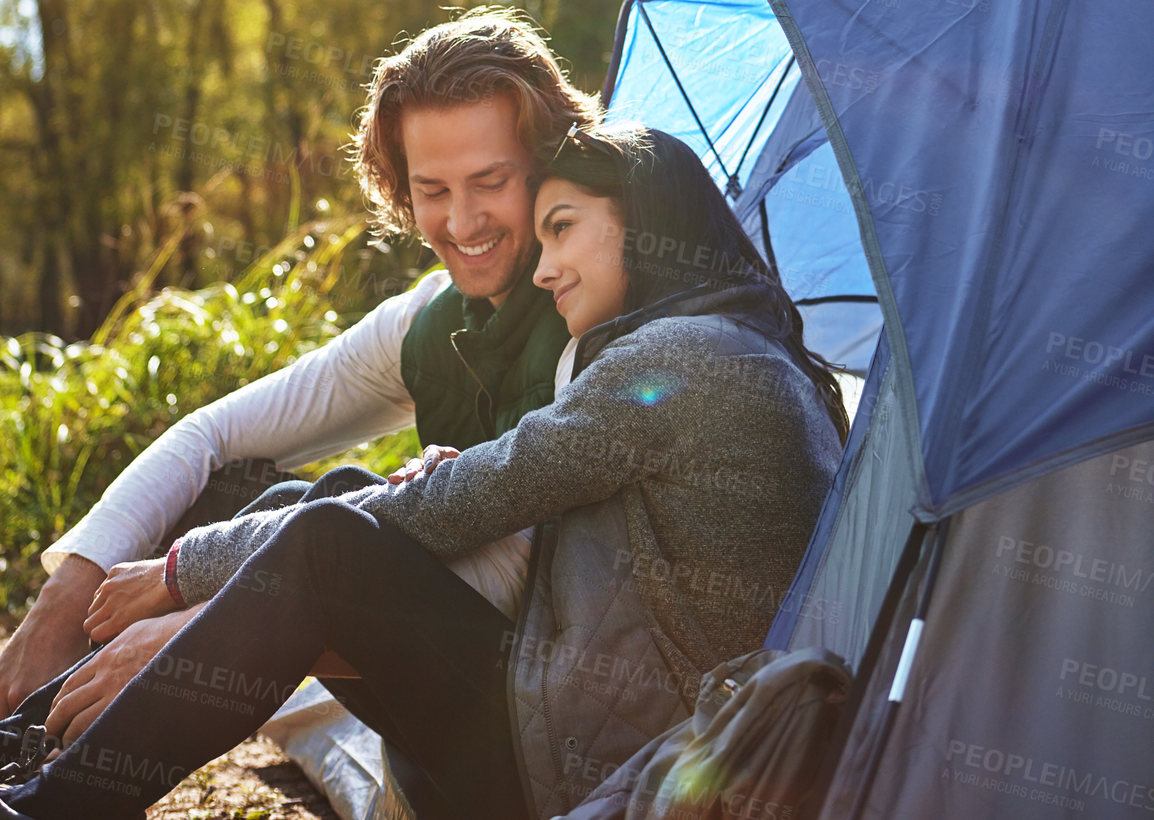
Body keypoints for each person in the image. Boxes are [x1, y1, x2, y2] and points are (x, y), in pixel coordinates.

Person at [0, 124, 846, 820]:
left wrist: (188, 569)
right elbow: (536, 516)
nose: (546, 266)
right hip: (606, 729)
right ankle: (28, 751)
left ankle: (55, 809)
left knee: (330, 540)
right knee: (321, 500)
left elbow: (468, 502)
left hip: (613, 771)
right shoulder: (754, 355)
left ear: (647, 223)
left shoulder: (680, 361)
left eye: (564, 228)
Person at [0, 8, 600, 735]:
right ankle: (44, 738)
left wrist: (209, 624)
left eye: (491, 181)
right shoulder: (427, 322)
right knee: (235, 491)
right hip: (406, 671)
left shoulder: (598, 327)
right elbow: (213, 435)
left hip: (524, 715)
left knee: (325, 514)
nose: (462, 221)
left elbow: (525, 587)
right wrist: (63, 602)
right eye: (432, 190)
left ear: (550, 163)